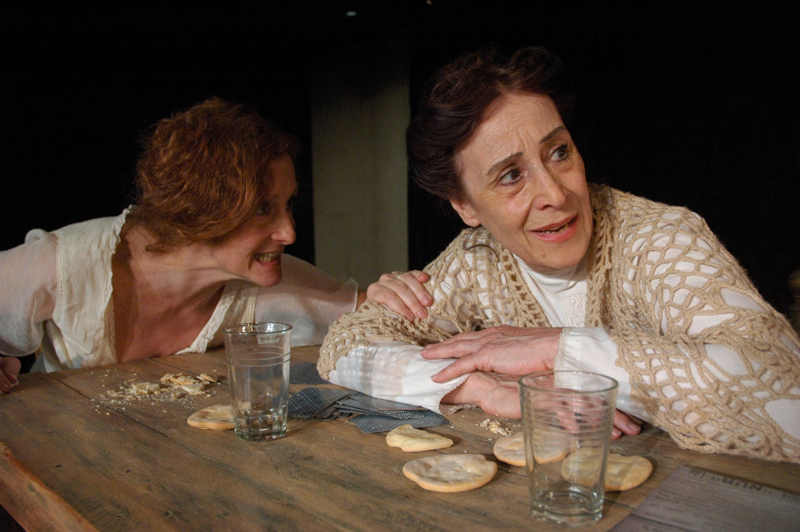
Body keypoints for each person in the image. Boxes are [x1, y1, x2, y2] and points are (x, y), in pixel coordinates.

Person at [318, 47, 800, 462]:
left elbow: (784, 389)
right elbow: (345, 348)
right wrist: (481, 388)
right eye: (511, 175)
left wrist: (559, 348)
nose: (555, 193)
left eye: (559, 152)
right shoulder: (475, 260)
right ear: (466, 207)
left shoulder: (660, 239)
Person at [0, 97, 421, 392]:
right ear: (201, 211)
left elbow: (384, 313)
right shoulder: (67, 264)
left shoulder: (265, 282)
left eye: (288, 204)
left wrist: (394, 293)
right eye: (262, 209)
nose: (289, 233)